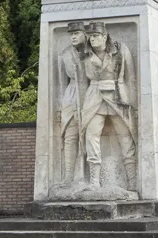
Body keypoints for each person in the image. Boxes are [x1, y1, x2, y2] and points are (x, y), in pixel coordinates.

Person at [79, 21, 137, 190]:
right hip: (94, 97)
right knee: (91, 136)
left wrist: (133, 104)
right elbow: (83, 82)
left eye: (96, 36)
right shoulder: (85, 55)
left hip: (118, 95)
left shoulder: (120, 50)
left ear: (104, 36)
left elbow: (131, 78)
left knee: (126, 137)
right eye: (90, 37)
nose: (92, 40)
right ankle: (95, 181)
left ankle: (132, 181)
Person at [55, 21, 90, 183]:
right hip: (71, 95)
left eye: (76, 33)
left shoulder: (92, 51)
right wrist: (59, 107)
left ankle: (93, 177)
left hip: (90, 94)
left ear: (84, 34)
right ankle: (69, 175)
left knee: (91, 137)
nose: (73, 37)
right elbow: (61, 84)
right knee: (70, 137)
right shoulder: (65, 55)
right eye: (71, 34)